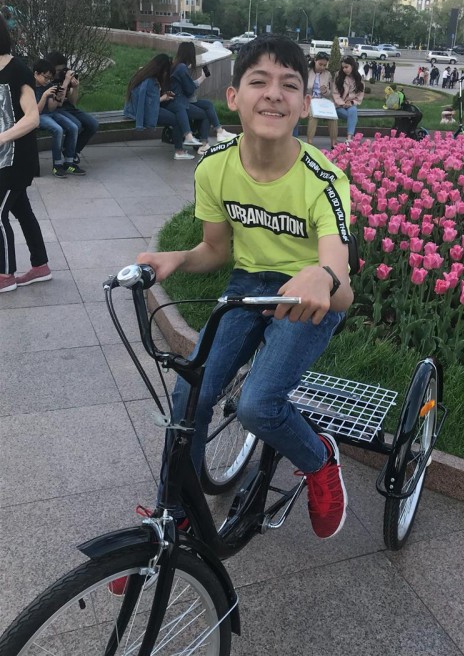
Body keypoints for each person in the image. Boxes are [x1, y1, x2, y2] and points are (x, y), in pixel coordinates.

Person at [137, 35, 353, 540]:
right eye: (259, 81)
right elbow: (216, 249)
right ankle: (177, 511)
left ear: (304, 104)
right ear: (233, 96)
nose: (274, 93)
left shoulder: (323, 180)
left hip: (307, 298)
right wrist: (179, 257)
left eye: (289, 85)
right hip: (248, 284)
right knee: (189, 395)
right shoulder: (215, 166)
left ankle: (319, 458)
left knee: (257, 406)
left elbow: (342, 286)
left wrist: (322, 277)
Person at [0, 15, 52, 292]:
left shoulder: (17, 69)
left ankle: (5, 275)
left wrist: (1, 138)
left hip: (17, 158)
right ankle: (40, 266)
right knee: (22, 210)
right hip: (2, 159)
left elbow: (32, 118)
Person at [124, 53, 200, 160]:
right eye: (165, 70)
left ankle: (186, 140)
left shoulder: (143, 74)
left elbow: (147, 99)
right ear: (161, 69)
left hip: (132, 109)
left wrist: (163, 96)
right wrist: (163, 98)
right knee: (177, 120)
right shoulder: (150, 81)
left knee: (177, 111)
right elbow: (147, 103)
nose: (165, 73)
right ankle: (179, 151)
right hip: (144, 111)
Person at [166, 41, 235, 151]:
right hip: (180, 103)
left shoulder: (177, 66)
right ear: (190, 54)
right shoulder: (182, 68)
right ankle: (205, 143)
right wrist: (199, 79)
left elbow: (188, 86)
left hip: (180, 101)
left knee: (208, 104)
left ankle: (218, 132)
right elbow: (189, 89)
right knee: (206, 114)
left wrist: (202, 77)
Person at [45, 52, 99, 166]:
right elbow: (56, 104)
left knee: (93, 124)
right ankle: (69, 152)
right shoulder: (47, 81)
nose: (61, 73)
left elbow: (73, 102)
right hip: (56, 109)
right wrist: (65, 83)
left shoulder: (64, 78)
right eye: (58, 70)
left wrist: (75, 87)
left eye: (63, 70)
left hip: (68, 108)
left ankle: (73, 150)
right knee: (76, 125)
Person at [32, 59, 84, 178]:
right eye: (45, 77)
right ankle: (57, 165)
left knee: (73, 127)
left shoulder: (48, 86)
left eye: (49, 78)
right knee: (58, 130)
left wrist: (58, 96)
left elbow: (51, 108)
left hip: (51, 113)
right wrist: (45, 95)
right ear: (36, 74)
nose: (47, 81)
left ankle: (69, 162)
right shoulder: (30, 88)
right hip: (39, 116)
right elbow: (35, 112)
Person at [332, 55, 364, 145]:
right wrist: (342, 103)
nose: (344, 69)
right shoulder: (338, 76)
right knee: (353, 116)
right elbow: (335, 93)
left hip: (350, 105)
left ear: (352, 66)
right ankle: (350, 138)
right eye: (343, 67)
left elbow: (360, 96)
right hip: (338, 105)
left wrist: (352, 102)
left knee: (353, 110)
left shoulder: (358, 78)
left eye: (346, 67)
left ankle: (349, 138)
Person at [305, 51, 335, 148]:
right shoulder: (307, 72)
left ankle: (334, 143)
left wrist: (325, 91)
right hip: (310, 100)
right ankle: (309, 142)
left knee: (333, 116)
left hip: (323, 101)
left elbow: (331, 93)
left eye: (324, 65)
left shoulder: (328, 74)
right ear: (315, 61)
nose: (322, 67)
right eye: (320, 64)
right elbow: (302, 88)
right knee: (313, 115)